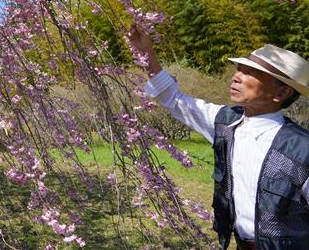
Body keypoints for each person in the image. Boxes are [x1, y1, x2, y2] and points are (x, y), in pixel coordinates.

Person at [128, 26, 309, 250]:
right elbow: (172, 98)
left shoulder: (302, 149)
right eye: (239, 69)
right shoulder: (225, 123)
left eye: (249, 73)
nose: (237, 77)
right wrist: (147, 53)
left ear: (281, 93)